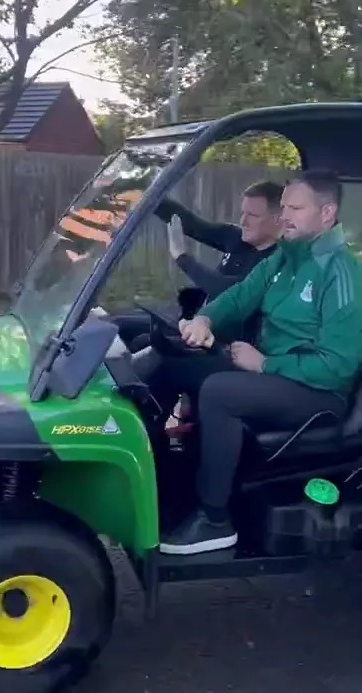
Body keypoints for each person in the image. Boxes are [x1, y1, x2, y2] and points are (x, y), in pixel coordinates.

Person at [149, 169, 362, 556]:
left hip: (318, 393)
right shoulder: (283, 257)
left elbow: (338, 367)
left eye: (295, 208)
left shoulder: (341, 272)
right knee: (174, 363)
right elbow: (239, 296)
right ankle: (167, 483)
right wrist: (204, 320)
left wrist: (264, 364)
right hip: (275, 374)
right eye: (283, 207)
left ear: (327, 213)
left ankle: (215, 519)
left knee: (219, 392)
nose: (284, 216)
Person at [156, 179, 284, 301]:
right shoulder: (235, 237)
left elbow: (227, 290)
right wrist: (150, 199)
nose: (243, 221)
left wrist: (182, 258)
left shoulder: (278, 262)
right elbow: (194, 226)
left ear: (277, 219)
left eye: (253, 216)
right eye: (243, 213)